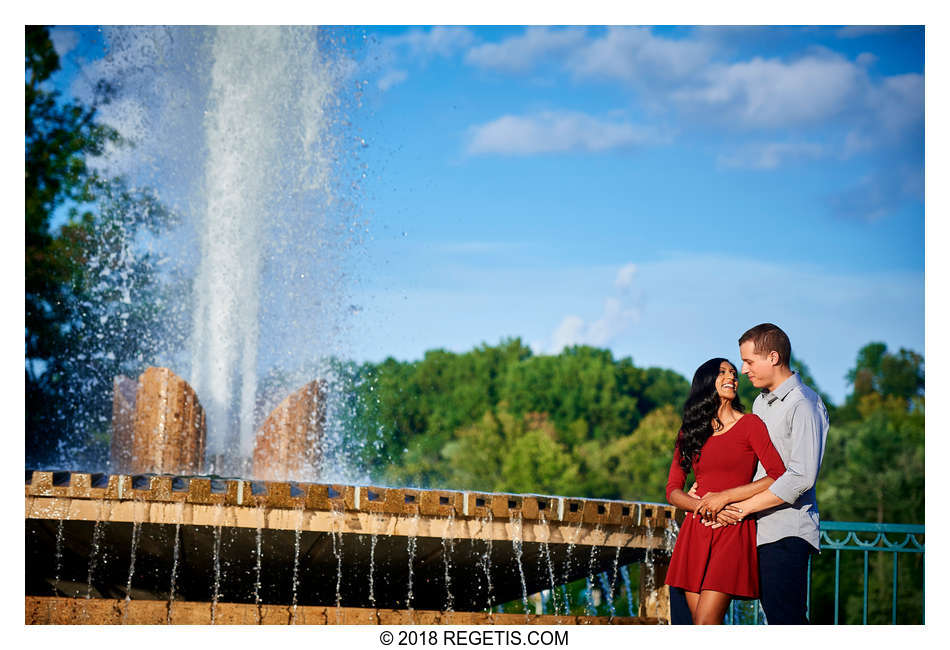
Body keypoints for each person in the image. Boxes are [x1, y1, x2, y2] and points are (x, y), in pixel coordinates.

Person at [708, 323, 830, 624]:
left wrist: (740, 508)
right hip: (757, 531)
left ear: (773, 357)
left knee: (786, 622)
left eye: (749, 361)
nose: (743, 370)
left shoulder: (803, 403)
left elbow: (801, 476)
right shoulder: (761, 403)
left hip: (787, 532)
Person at [664, 357, 786, 625]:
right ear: (707, 381)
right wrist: (702, 507)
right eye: (723, 372)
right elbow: (673, 489)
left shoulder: (751, 425)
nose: (732, 376)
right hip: (697, 529)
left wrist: (725, 499)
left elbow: (777, 474)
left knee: (706, 622)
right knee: (701, 625)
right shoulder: (690, 432)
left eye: (733, 372)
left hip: (731, 528)